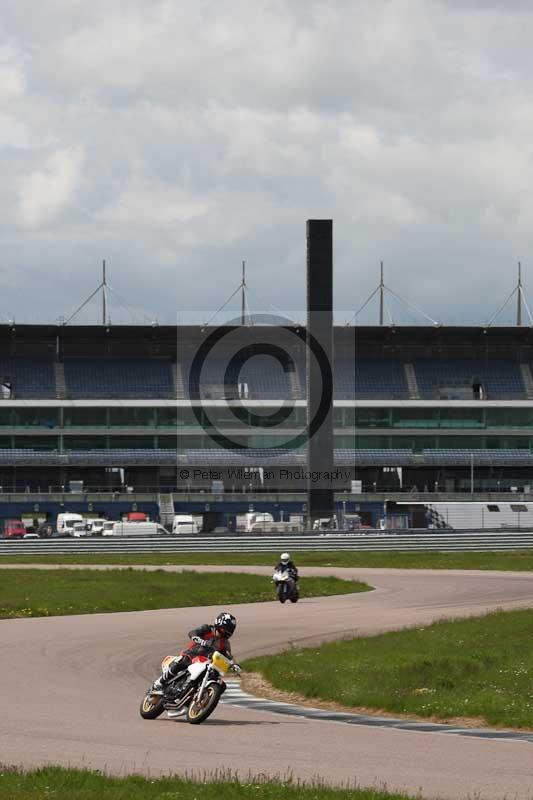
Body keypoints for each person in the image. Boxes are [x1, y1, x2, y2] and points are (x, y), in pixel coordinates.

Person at [152, 611, 237, 695]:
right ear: (218, 624)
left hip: (207, 662)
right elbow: (192, 633)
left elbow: (228, 656)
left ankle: (198, 699)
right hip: (194, 653)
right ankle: (159, 683)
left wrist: (233, 665)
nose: (225, 634)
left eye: (228, 633)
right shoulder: (207, 629)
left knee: (221, 684)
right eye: (223, 631)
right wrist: (199, 639)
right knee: (184, 661)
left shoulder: (225, 643)